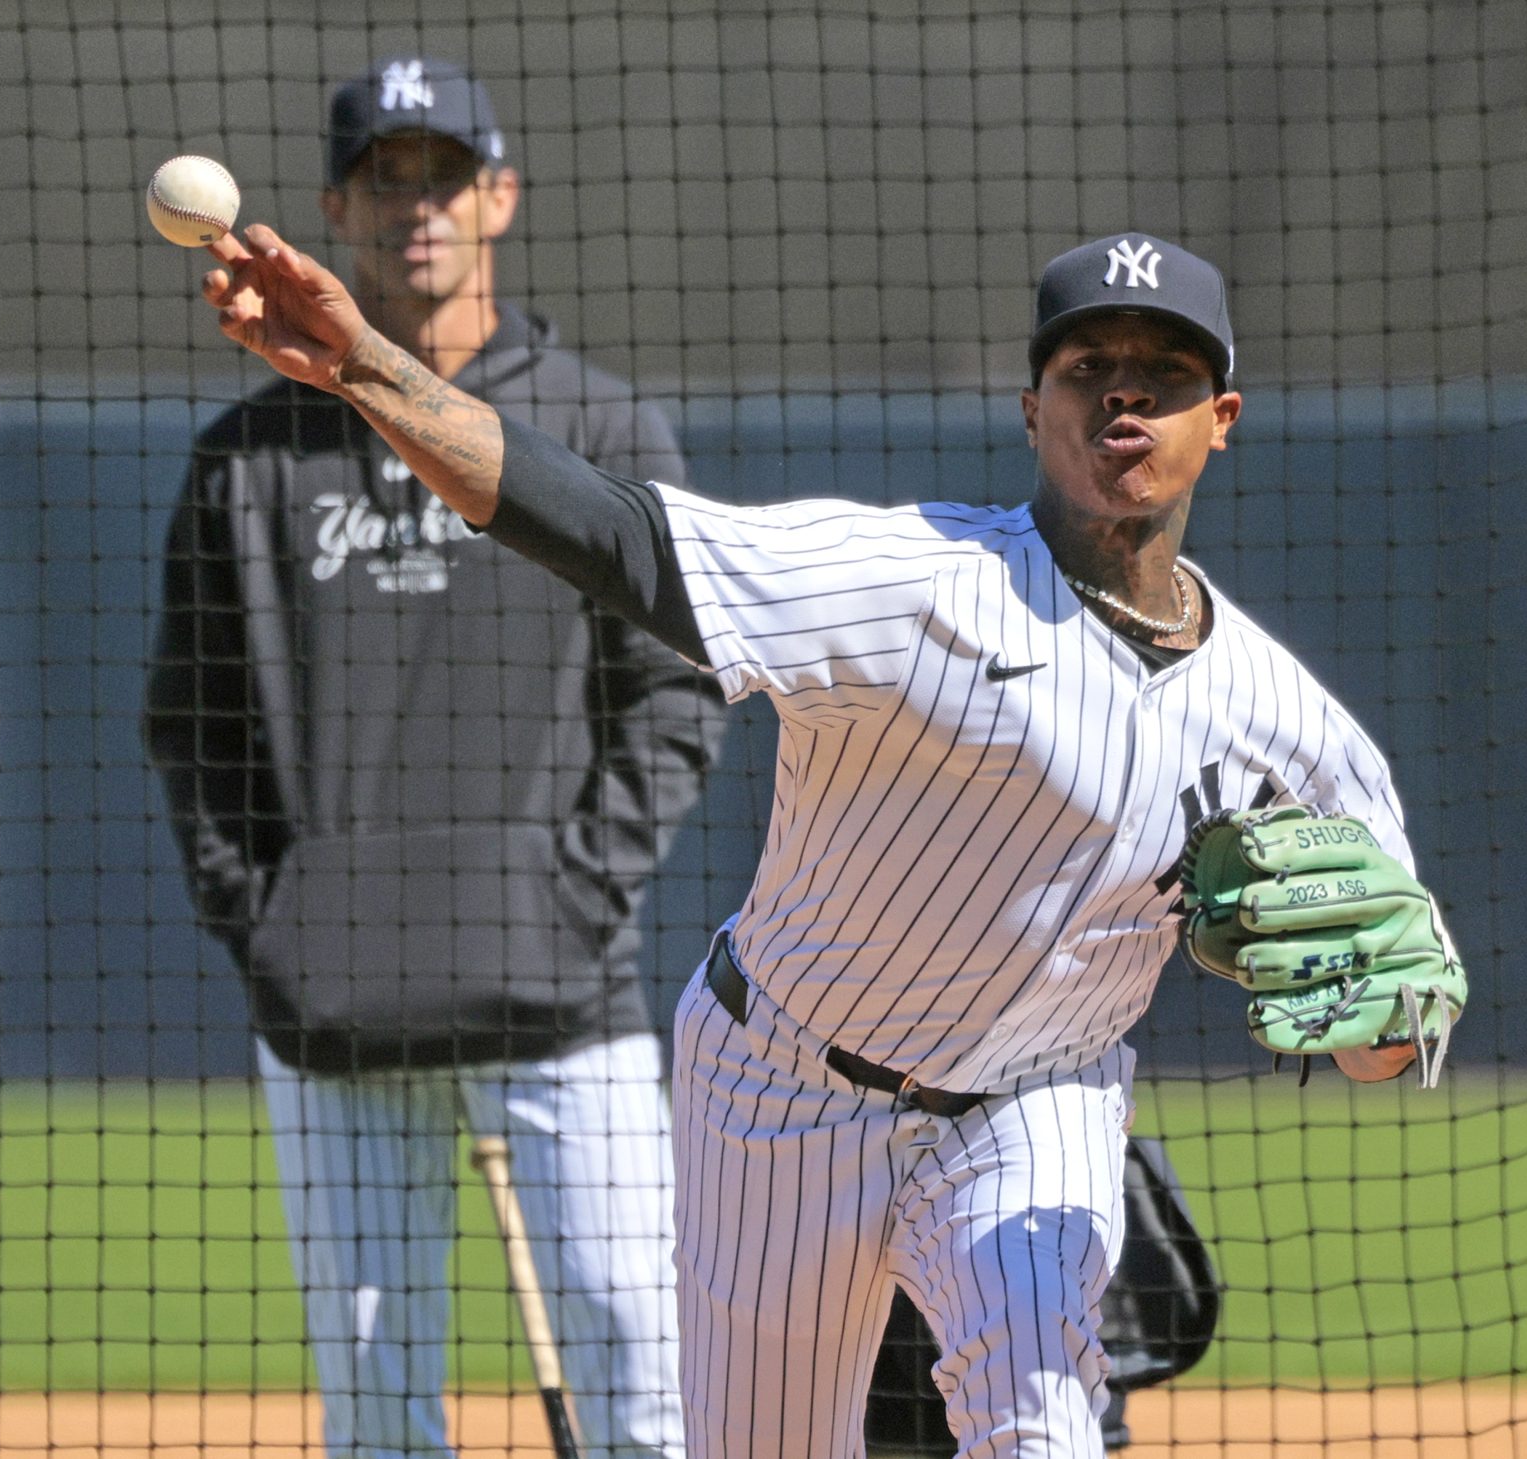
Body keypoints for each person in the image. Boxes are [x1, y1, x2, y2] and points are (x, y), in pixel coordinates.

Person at [192, 217, 1459, 1457]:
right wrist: (365, 366)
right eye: (1088, 368)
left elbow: (1391, 1032)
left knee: (1043, 1428)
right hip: (784, 1089)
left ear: (1218, 418)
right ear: (1033, 409)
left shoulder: (1291, 729)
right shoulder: (910, 581)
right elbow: (614, 532)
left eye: (1165, 372)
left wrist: (1375, 1033)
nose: (1122, 396)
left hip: (1035, 1103)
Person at [145, 58, 723, 1459]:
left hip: (564, 997)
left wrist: (575, 890)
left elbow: (677, 685)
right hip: (335, 1009)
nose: (420, 207)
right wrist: (278, 926)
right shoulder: (251, 454)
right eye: (387, 178)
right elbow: (194, 727)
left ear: (502, 196)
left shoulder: (592, 428)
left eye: (447, 175)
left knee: (650, 1389)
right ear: (337, 208)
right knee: (381, 1416)